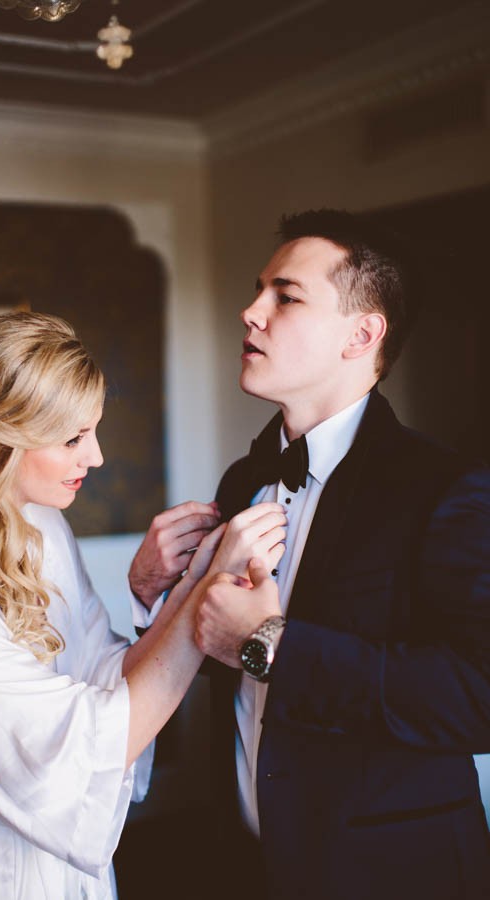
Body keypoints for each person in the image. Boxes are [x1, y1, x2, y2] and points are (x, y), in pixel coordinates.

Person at [135, 209, 490, 900]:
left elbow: (479, 696)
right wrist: (159, 595)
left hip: (392, 872)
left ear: (362, 334)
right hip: (242, 865)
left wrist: (270, 642)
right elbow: (221, 661)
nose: (250, 310)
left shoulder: (445, 487)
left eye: (284, 295)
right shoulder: (241, 483)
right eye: (258, 290)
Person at [0, 310, 230, 900]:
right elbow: (63, 754)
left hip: (78, 875)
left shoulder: (43, 523)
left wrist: (153, 595)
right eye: (73, 439)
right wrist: (202, 608)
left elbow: (101, 683)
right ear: (0, 442)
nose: (95, 458)